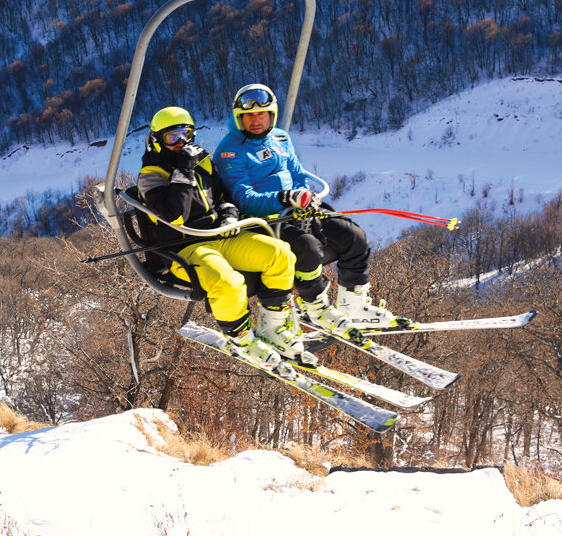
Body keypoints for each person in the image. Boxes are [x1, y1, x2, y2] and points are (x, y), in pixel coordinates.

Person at [137, 106, 316, 368]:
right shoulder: (151, 175)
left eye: (186, 134)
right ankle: (240, 338)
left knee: (280, 255)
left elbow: (224, 198)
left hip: (220, 236)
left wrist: (229, 216)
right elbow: (174, 215)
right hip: (184, 247)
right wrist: (184, 170)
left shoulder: (203, 162)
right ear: (157, 140)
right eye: (172, 137)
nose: (181, 143)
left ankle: (273, 328)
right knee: (227, 282)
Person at [213, 83, 396, 330]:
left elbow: (297, 174)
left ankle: (353, 305)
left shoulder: (280, 137)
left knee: (353, 235)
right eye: (249, 116)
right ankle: (315, 306)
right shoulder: (230, 151)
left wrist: (305, 197)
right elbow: (244, 198)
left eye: (262, 114)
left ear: (271, 115)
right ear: (239, 118)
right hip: (265, 220)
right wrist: (285, 198)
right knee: (308, 247)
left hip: (295, 209)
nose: (256, 121)